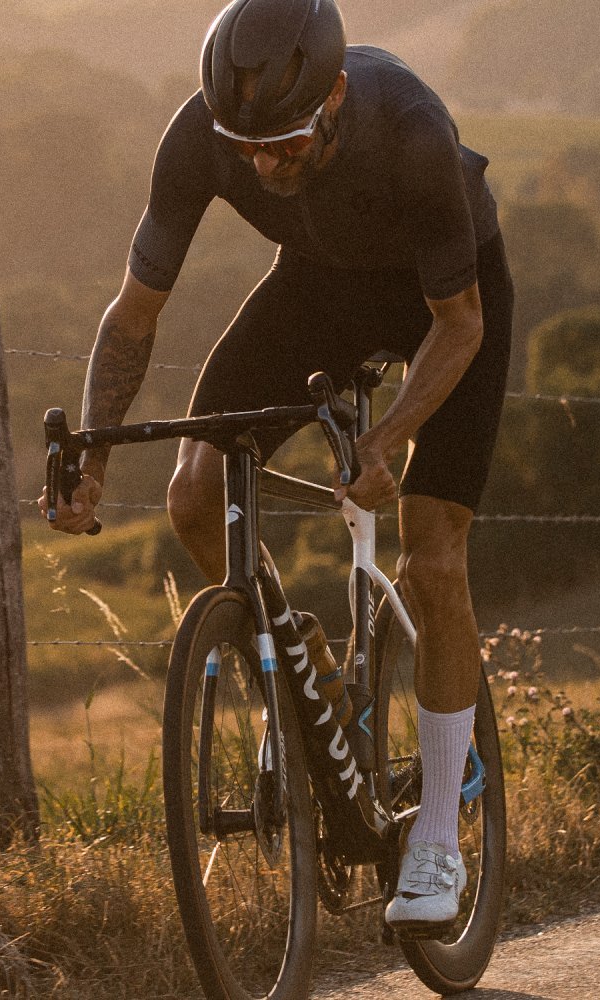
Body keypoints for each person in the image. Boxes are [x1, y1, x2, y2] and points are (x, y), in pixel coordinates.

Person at [41, 0, 511, 935]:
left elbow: (460, 325)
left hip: (446, 303)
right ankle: (296, 672)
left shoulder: (410, 130)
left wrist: (386, 442)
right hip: (317, 286)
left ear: (335, 95)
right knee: (192, 494)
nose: (262, 163)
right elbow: (133, 313)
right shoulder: (200, 136)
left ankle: (438, 846)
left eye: (286, 142)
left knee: (433, 557)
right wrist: (90, 450)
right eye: (243, 146)